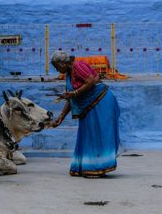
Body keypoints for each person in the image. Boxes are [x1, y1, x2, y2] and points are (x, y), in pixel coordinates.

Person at [50, 50, 120, 178]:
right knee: (88, 134)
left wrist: (75, 93)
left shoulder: (78, 66)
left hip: (101, 100)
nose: (56, 69)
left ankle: (98, 167)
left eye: (56, 66)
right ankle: (87, 166)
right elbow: (71, 98)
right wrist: (61, 117)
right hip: (88, 104)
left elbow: (91, 81)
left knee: (98, 134)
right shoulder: (68, 75)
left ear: (63, 63)